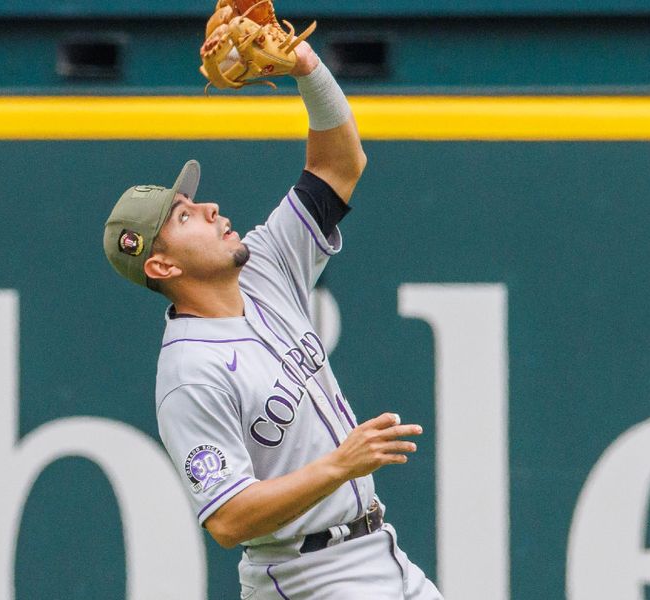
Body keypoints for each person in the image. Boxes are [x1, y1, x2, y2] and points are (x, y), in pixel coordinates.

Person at [103, 40, 443, 599]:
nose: (210, 209)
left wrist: (306, 68)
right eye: (185, 216)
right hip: (307, 577)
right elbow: (229, 520)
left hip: (381, 555)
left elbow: (339, 164)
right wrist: (339, 465)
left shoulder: (264, 268)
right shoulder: (190, 373)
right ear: (161, 263)